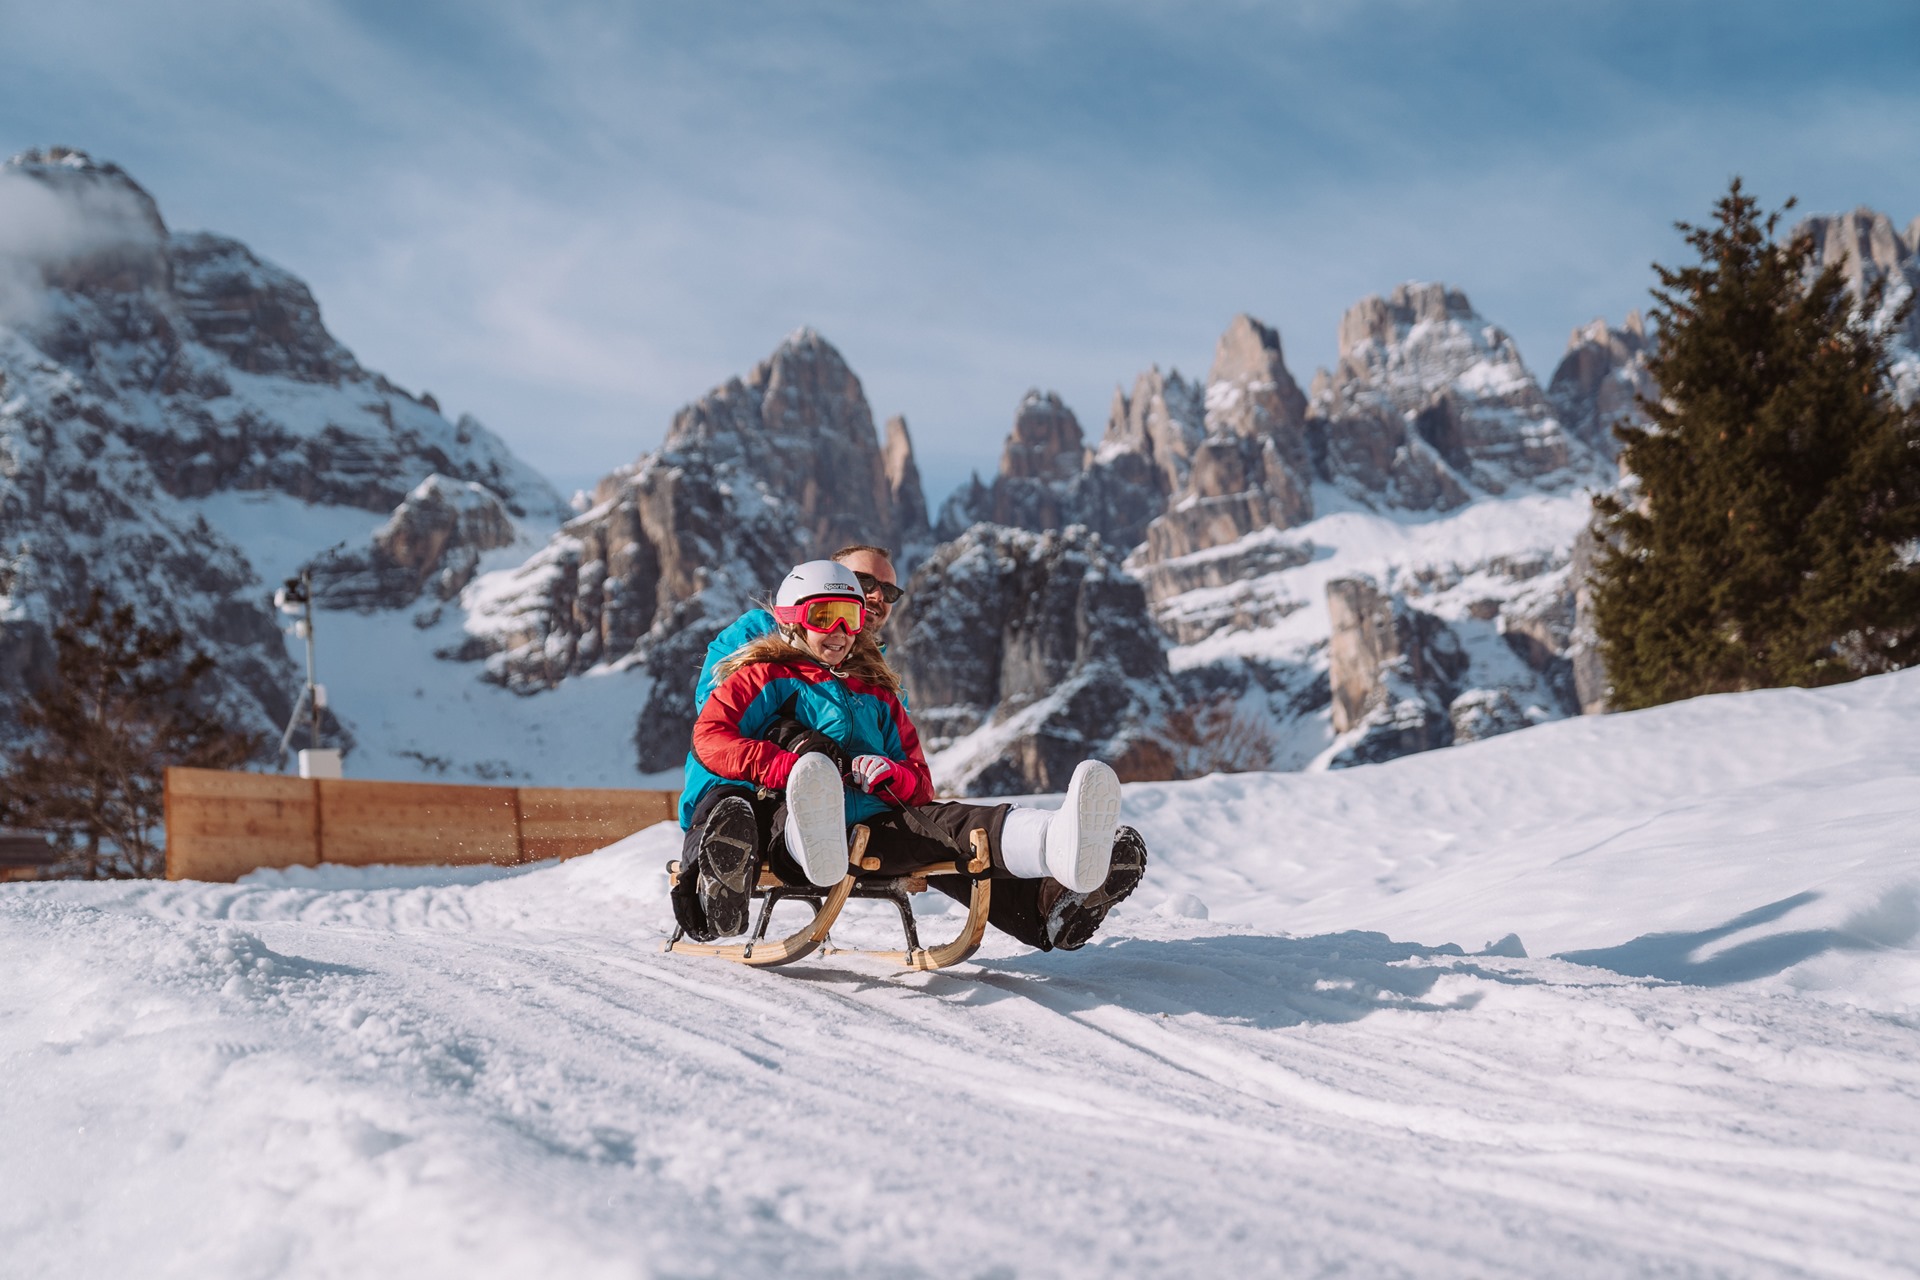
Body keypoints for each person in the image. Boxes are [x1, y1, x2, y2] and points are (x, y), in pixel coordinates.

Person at [674, 558, 1147, 954]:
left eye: (850, 618)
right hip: (790, 818)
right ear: (791, 619)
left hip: (875, 827)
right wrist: (790, 766)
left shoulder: (876, 693)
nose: (839, 631)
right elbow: (711, 736)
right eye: (823, 617)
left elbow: (919, 781)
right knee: (786, 811)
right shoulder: (765, 675)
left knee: (953, 825)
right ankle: (813, 839)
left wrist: (890, 774)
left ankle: (1059, 844)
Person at [691, 544, 903, 713]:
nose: (878, 596)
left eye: (889, 591)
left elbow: (902, 748)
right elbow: (714, 712)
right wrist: (784, 735)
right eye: (864, 582)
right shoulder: (758, 630)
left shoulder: (884, 680)